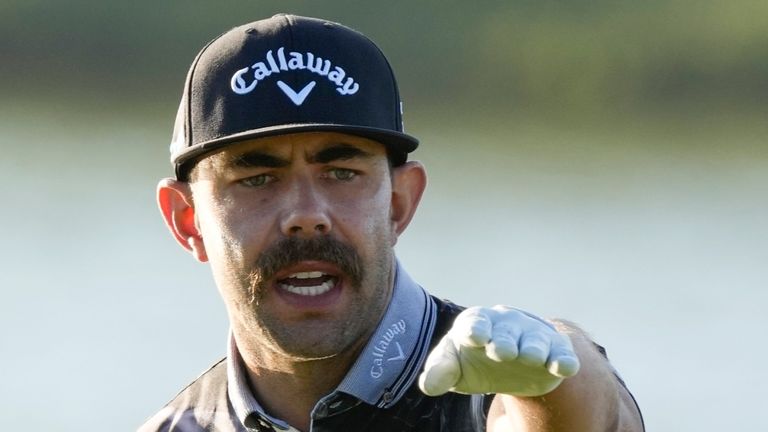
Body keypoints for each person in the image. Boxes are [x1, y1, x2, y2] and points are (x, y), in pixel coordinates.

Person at [140, 14, 644, 432]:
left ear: (400, 202)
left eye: (342, 173)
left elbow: (578, 414)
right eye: (257, 179)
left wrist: (555, 379)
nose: (306, 215)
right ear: (188, 220)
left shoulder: (493, 387)